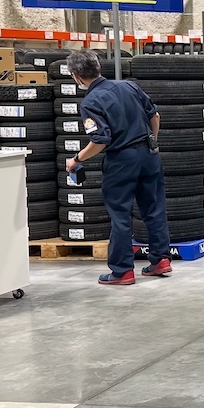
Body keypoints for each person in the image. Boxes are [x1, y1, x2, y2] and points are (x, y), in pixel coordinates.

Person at [63, 50, 174, 286]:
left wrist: (77, 160)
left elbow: (100, 140)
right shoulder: (129, 87)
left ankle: (122, 271)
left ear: (76, 77)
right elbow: (155, 116)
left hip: (122, 160)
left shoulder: (91, 102)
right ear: (98, 68)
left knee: (120, 214)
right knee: (153, 208)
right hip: (149, 154)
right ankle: (161, 260)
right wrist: (151, 142)